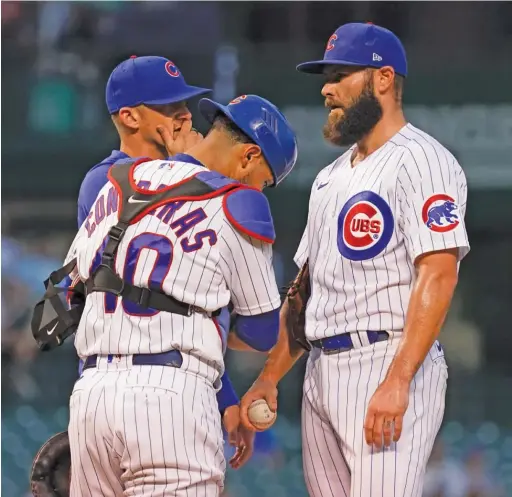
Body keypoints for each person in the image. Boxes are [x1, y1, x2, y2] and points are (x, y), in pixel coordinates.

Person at [240, 22, 470, 497]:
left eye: (341, 74)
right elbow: (305, 290)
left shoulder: (424, 161)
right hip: (320, 370)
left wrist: (399, 379)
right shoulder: (328, 178)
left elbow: (439, 274)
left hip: (385, 358)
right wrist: (268, 376)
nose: (326, 88)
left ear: (382, 79)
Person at [62, 93, 297, 496]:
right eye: (263, 179)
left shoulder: (117, 183)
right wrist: (205, 317)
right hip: (171, 402)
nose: (260, 189)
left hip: (91, 397)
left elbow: (69, 293)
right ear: (249, 156)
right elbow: (261, 333)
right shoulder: (239, 202)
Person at [76, 55, 250, 466]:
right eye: (168, 107)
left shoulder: (183, 175)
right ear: (129, 117)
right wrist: (192, 165)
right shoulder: (107, 180)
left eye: (184, 104)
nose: (184, 115)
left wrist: (224, 395)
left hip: (170, 376)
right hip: (128, 380)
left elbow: (180, 312)